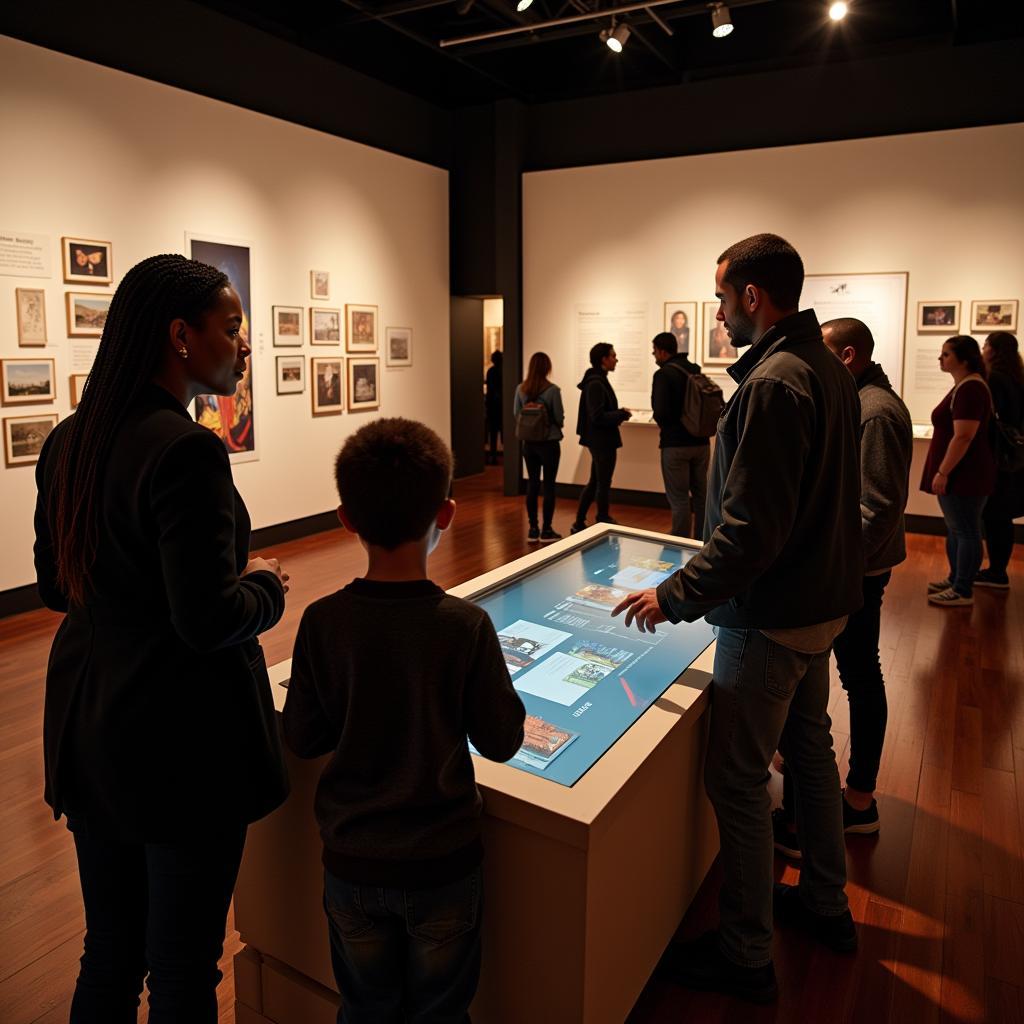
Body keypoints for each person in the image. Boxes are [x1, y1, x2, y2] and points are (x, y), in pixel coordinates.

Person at [32, 254, 290, 1023]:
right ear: (181, 336)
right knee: (182, 968)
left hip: (90, 728)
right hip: (177, 747)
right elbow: (206, 619)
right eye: (232, 327)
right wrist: (267, 587)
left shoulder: (70, 440)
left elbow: (54, 587)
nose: (244, 345)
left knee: (109, 951)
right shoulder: (186, 450)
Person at [612, 234, 862, 1003]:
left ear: (753, 296)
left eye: (722, 299)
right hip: (820, 606)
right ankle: (826, 902)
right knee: (812, 755)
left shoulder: (774, 381)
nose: (718, 315)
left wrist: (676, 595)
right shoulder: (825, 367)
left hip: (771, 617)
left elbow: (751, 531)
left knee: (739, 778)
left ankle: (746, 950)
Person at [281, 417, 526, 1024]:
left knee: (364, 1008)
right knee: (441, 1013)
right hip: (443, 864)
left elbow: (303, 735)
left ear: (346, 518)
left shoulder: (322, 622)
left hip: (353, 862)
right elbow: (502, 740)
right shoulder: (464, 626)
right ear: (445, 515)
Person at [773, 318, 913, 859]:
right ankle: (840, 797)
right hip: (847, 570)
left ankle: (857, 800)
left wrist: (819, 556)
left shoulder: (875, 410)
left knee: (857, 674)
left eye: (823, 352)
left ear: (849, 355)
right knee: (846, 673)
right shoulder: (860, 400)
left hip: (855, 574)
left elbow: (876, 512)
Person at [921, 335, 997, 606]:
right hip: (962, 473)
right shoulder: (965, 386)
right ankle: (956, 579)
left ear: (963, 359)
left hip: (965, 475)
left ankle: (963, 589)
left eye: (946, 355)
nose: (940, 359)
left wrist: (943, 471)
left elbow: (964, 436)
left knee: (965, 530)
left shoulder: (971, 388)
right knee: (957, 529)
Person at [650, 331, 709, 538]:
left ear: (663, 351)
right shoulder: (694, 369)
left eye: (654, 351)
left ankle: (680, 543)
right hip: (701, 442)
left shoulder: (663, 374)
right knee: (701, 496)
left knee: (679, 497)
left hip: (675, 444)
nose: (654, 355)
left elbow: (661, 412)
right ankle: (701, 541)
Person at [977, 332, 1024, 589]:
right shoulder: (1017, 377)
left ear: (993, 351)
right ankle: (997, 569)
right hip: (1012, 457)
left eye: (986, 345)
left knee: (995, 516)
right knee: (1001, 516)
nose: (983, 350)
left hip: (999, 457)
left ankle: (996, 572)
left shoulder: (995, 378)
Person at [571, 342, 632, 533]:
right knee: (602, 482)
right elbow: (597, 416)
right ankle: (601, 518)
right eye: (613, 356)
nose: (616, 359)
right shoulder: (596, 383)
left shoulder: (597, 380)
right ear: (603, 359)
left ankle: (581, 521)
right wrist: (621, 414)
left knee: (597, 480)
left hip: (600, 440)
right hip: (602, 440)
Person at [514, 351, 565, 542]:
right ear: (547, 368)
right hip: (549, 443)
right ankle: (547, 530)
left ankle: (533, 529)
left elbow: (516, 413)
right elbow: (559, 418)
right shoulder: (553, 390)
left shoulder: (521, 389)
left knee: (532, 484)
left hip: (529, 443)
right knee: (549, 485)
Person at [485, 349, 503, 465]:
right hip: (501, 406)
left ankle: (493, 455)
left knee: (493, 432)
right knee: (503, 431)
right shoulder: (503, 371)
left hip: (492, 406)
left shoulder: (491, 371)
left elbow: (490, 389)